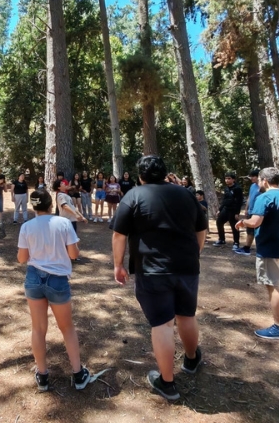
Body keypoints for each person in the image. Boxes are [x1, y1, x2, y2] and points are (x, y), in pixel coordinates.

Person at [112, 156, 207, 401]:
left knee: (163, 324)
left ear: (140, 175)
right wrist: (195, 253)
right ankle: (191, 359)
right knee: (186, 315)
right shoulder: (186, 194)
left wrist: (118, 265)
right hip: (187, 266)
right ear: (165, 173)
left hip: (152, 269)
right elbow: (201, 228)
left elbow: (119, 235)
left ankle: (167, 382)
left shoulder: (133, 195)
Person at [17, 190, 91, 392]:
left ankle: (42, 376)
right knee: (67, 328)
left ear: (33, 206)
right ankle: (78, 374)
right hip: (58, 279)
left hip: (34, 278)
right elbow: (74, 254)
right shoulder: (63, 223)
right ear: (51, 205)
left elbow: (22, 258)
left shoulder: (26, 226)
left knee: (38, 329)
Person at [236, 168, 279, 340]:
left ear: (265, 180)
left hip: (270, 249)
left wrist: (243, 222)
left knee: (274, 287)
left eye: (259, 180)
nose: (258, 183)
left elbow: (255, 221)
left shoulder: (264, 197)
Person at [213, 172, 244, 250]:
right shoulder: (226, 188)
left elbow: (239, 201)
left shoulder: (237, 188)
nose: (227, 180)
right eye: (226, 178)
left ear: (233, 179)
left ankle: (236, 243)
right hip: (225, 209)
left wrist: (237, 213)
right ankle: (221, 239)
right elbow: (224, 200)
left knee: (234, 226)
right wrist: (220, 210)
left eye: (229, 178)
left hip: (233, 210)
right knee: (219, 222)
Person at [235, 169, 260, 256]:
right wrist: (246, 209)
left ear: (258, 177)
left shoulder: (262, 187)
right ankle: (247, 248)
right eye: (251, 176)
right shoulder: (252, 186)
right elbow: (249, 197)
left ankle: (260, 249)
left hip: (258, 212)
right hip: (250, 211)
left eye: (253, 176)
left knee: (258, 231)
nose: (251, 178)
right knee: (249, 230)